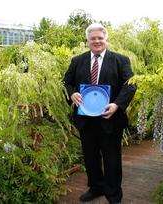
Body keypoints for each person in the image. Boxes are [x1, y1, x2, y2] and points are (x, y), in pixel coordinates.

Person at [63, 23, 136, 204]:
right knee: (90, 156)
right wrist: (72, 93)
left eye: (100, 38)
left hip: (110, 118)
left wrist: (117, 105)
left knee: (112, 159)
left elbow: (131, 84)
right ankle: (95, 188)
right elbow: (66, 82)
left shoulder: (121, 60)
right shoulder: (77, 61)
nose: (96, 41)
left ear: (106, 40)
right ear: (87, 41)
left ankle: (113, 195)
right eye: (92, 38)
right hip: (86, 119)